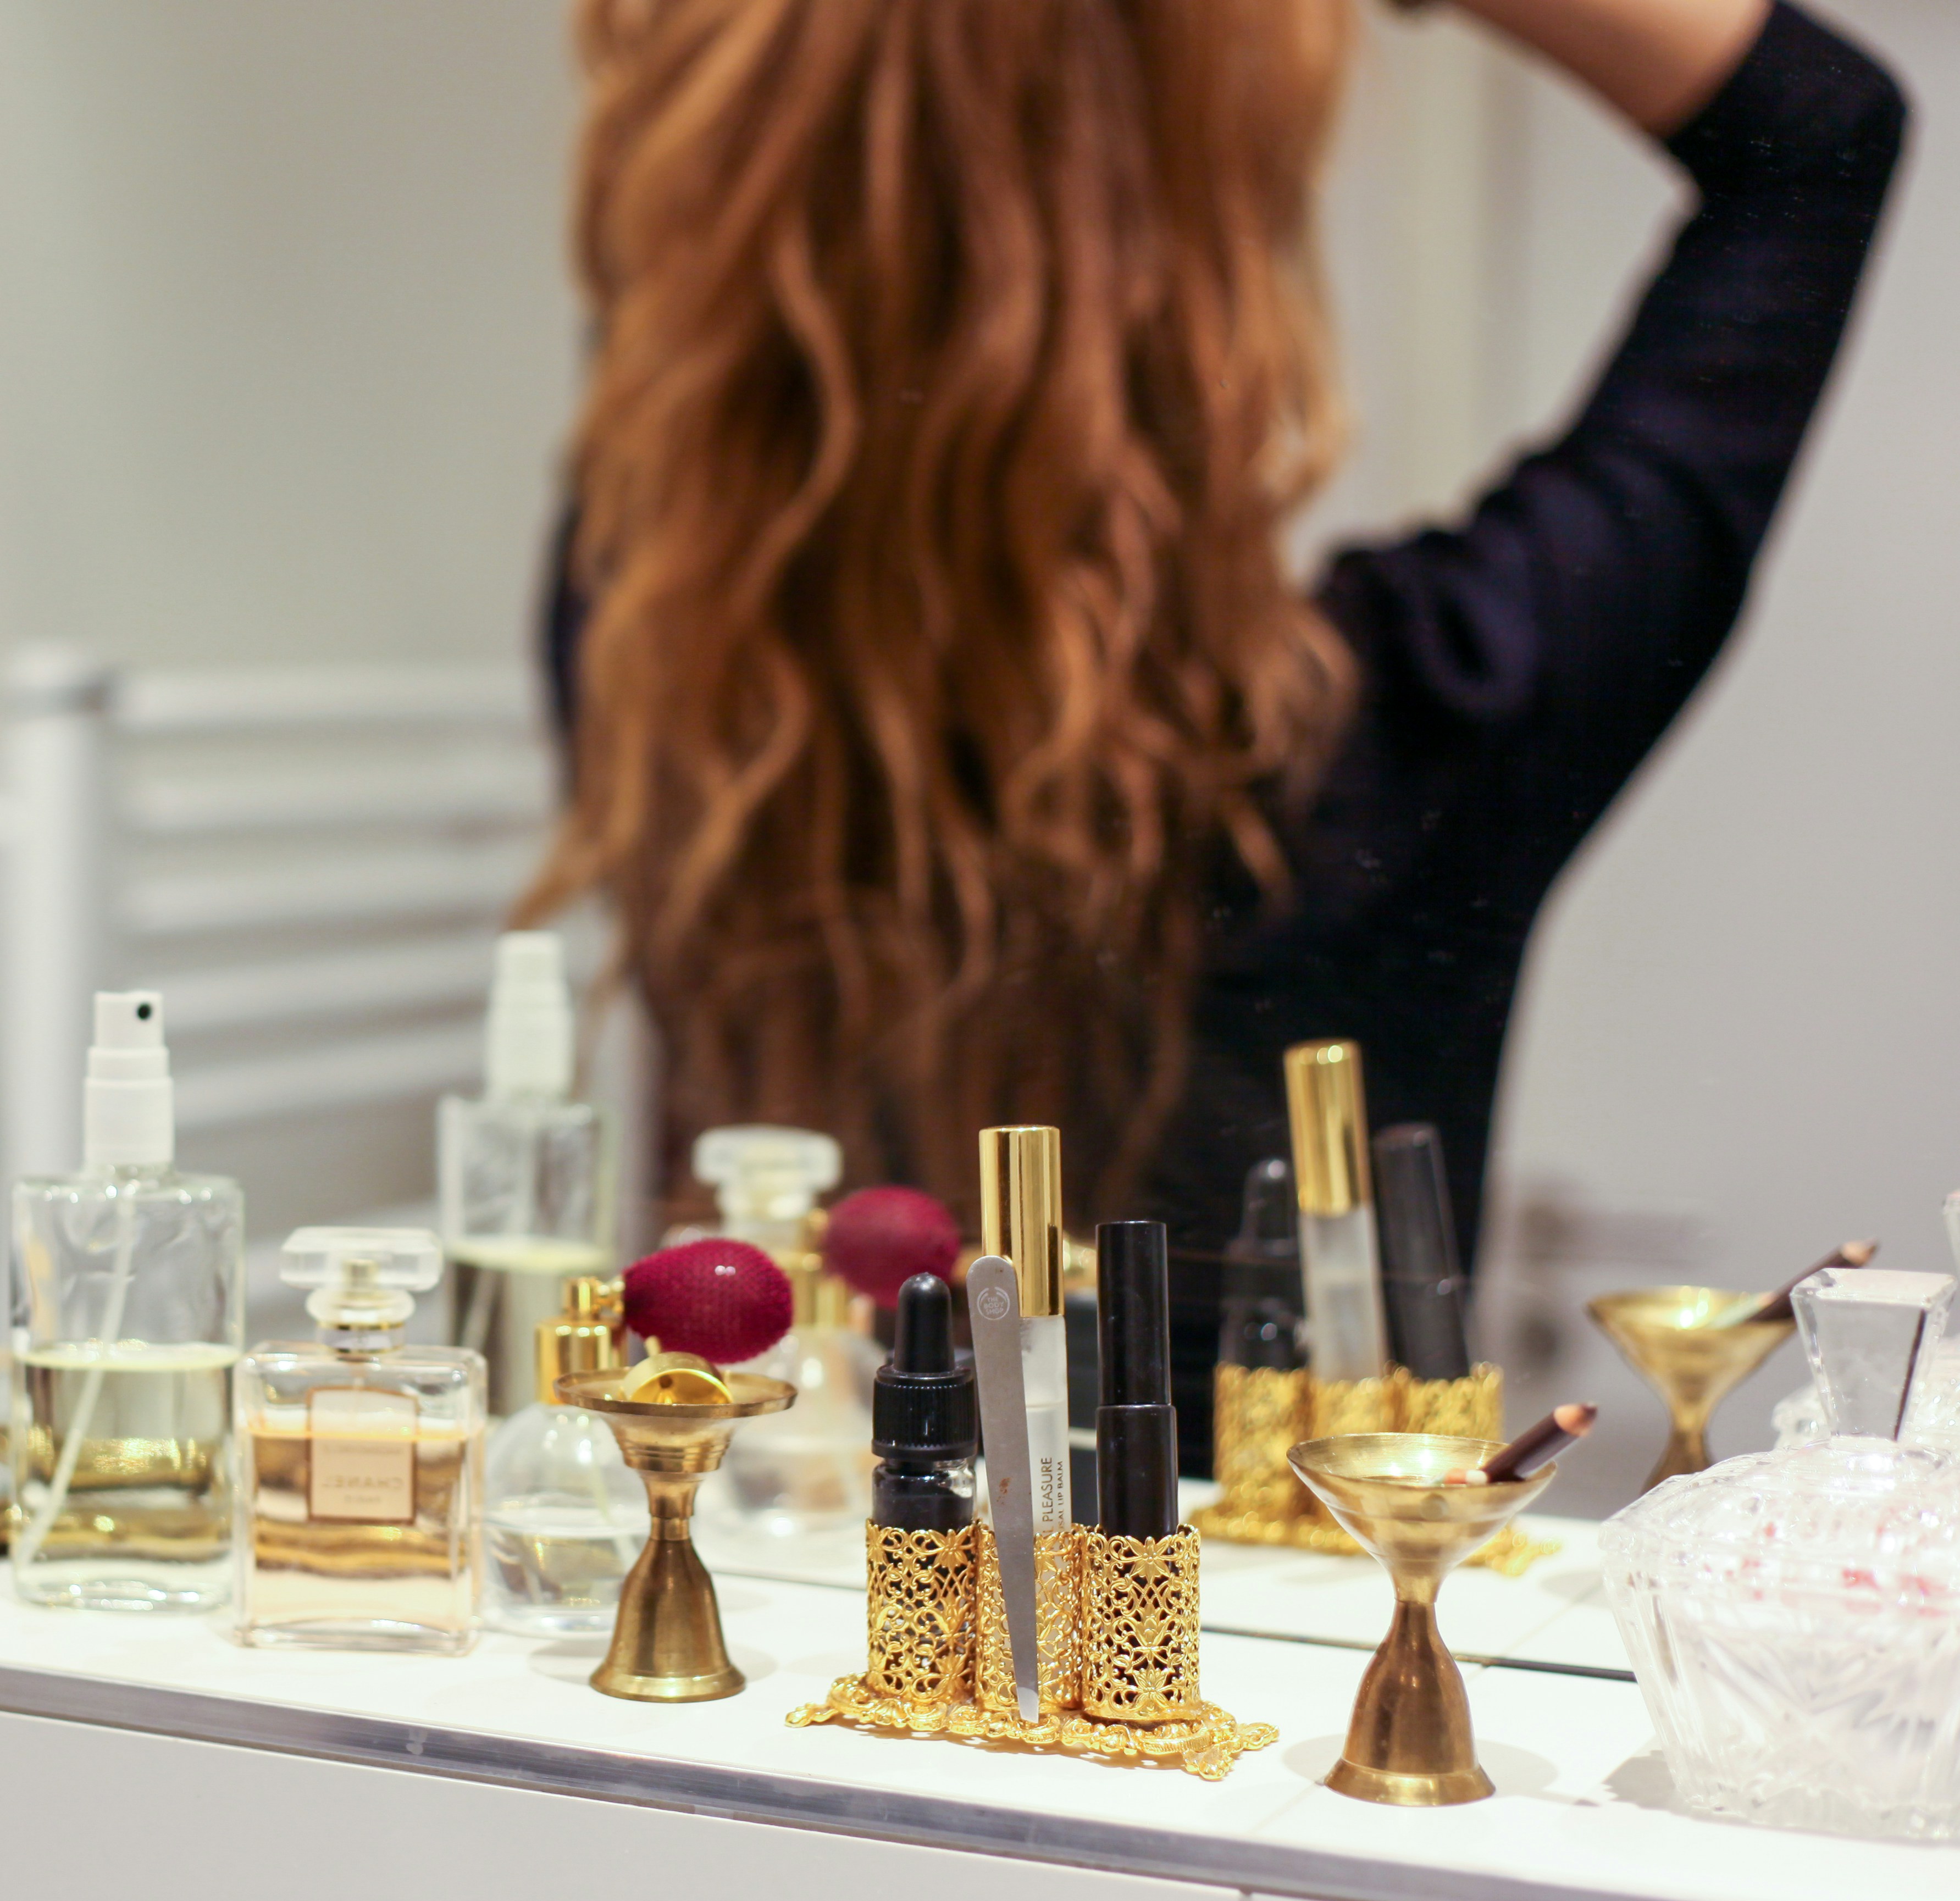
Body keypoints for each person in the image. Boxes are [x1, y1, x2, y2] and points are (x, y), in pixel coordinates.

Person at [532, 0, 1904, 1464]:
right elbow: (1814, 133)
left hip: (772, 1619)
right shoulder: (1441, 717)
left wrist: (842, 67)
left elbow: (728, 316)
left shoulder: (673, 682)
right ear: (1218, 296)